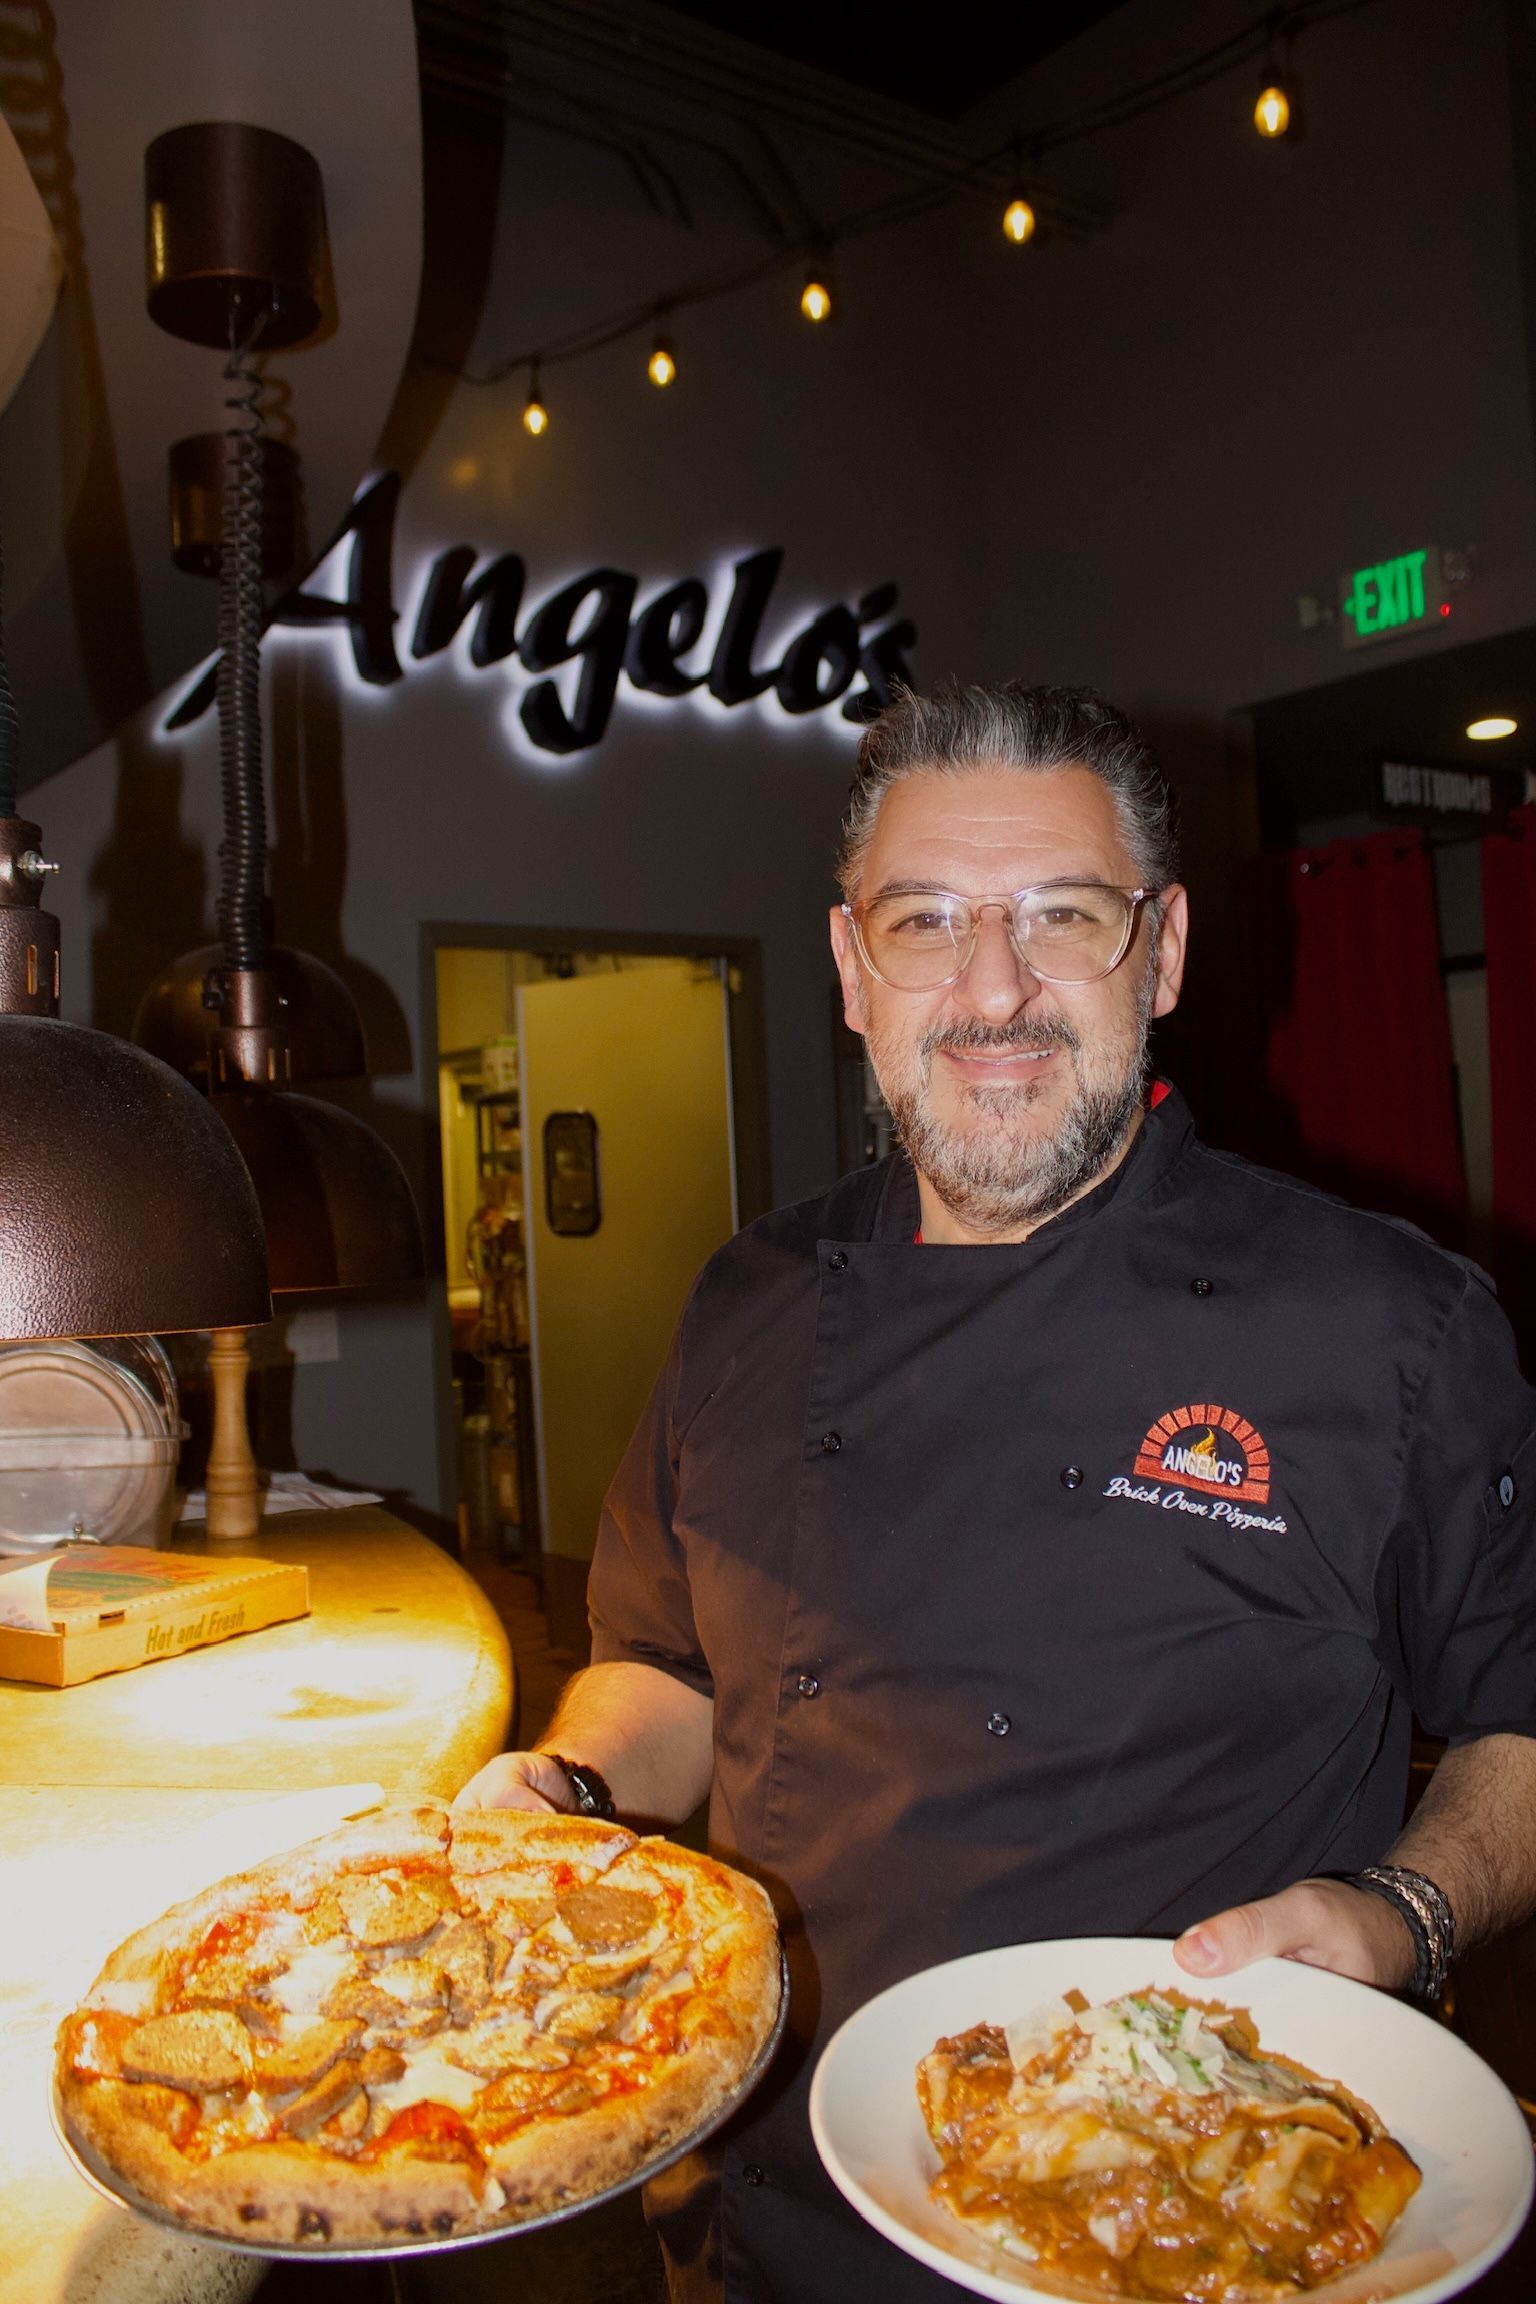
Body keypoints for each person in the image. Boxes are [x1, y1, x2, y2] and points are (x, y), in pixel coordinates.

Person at [459, 684, 1536, 2303]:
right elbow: (669, 1669)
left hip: (1191, 2212)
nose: (993, 991)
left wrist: (1402, 1917)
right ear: (848, 970)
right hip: (756, 2213)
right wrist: (570, 1793)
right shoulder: (749, 1299)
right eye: (928, 923)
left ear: (1161, 953)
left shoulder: (1389, 1324)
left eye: (1061, 918)